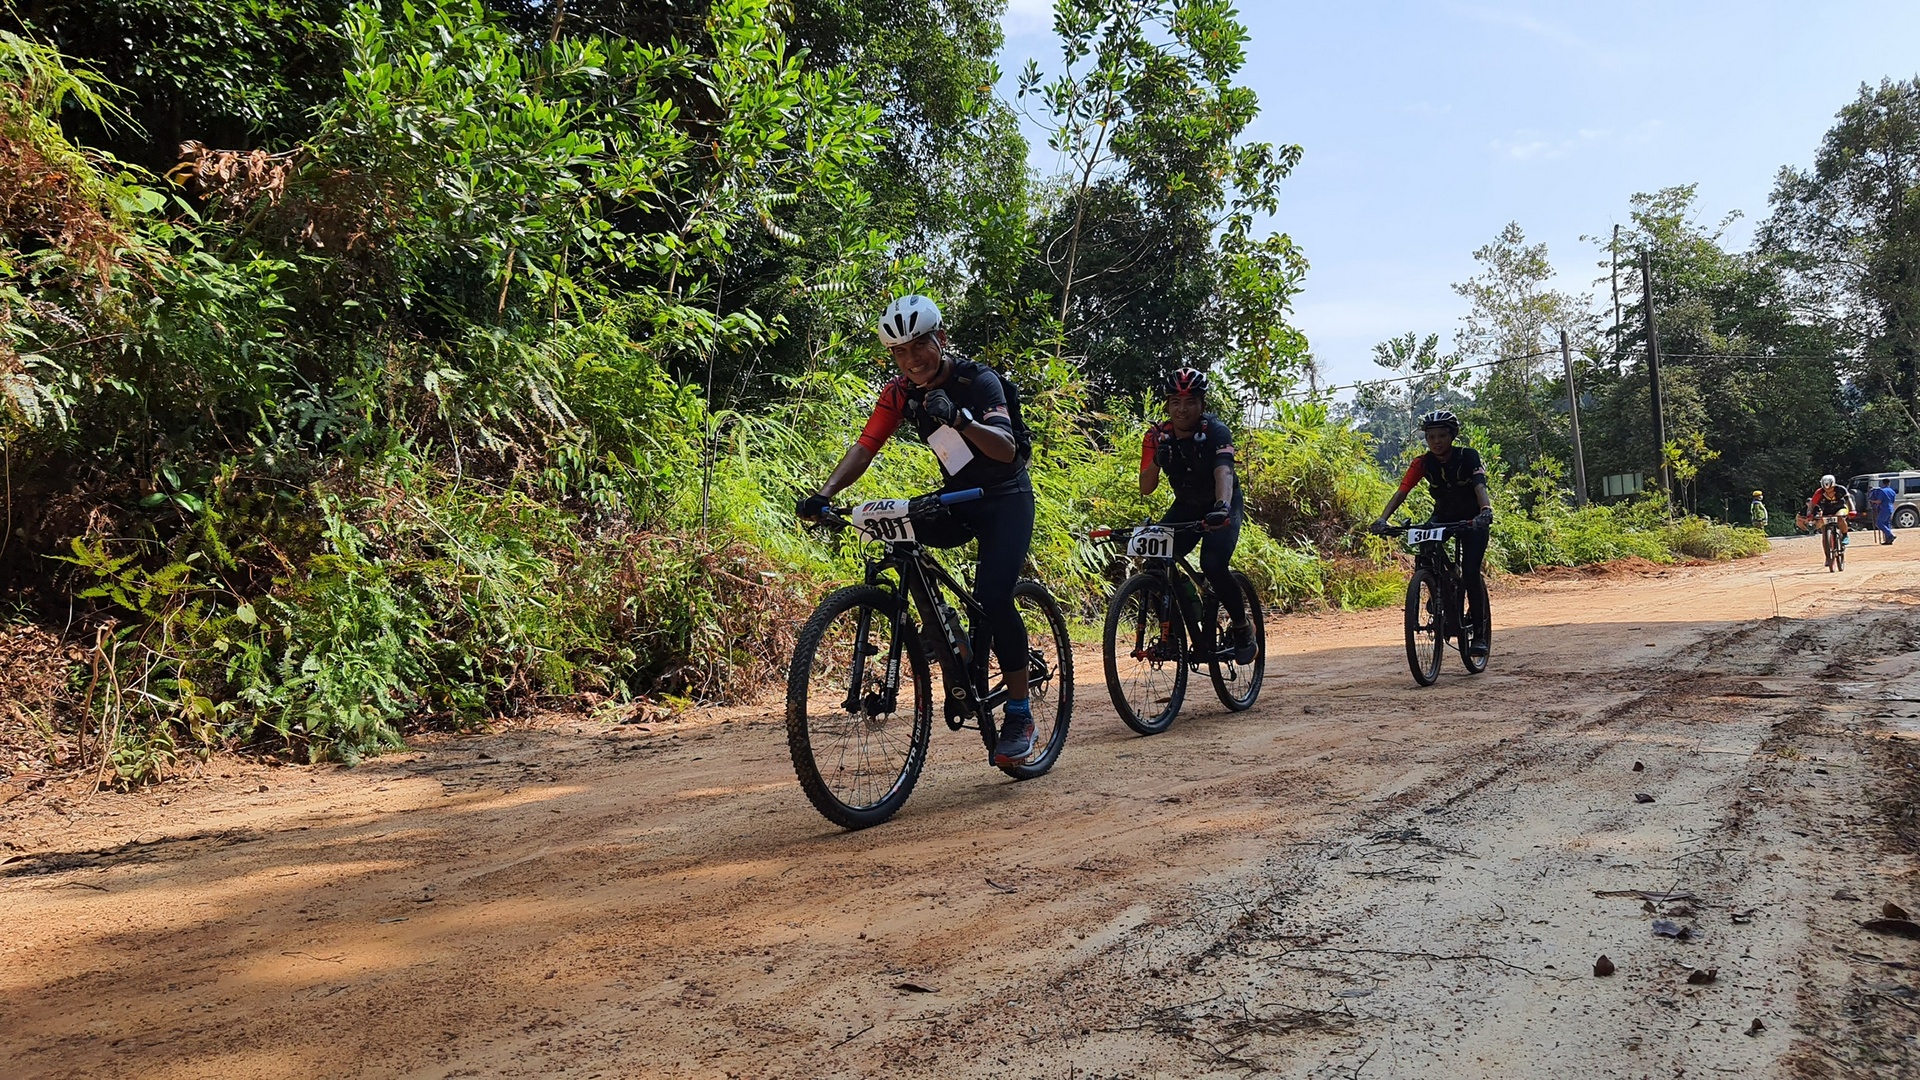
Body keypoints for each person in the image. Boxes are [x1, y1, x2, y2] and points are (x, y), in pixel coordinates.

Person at [796, 295, 1039, 767]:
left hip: (1006, 498)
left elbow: (1006, 449)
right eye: (900, 351)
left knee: (993, 598)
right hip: (957, 499)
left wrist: (959, 418)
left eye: (919, 345)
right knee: (900, 534)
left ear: (940, 339)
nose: (912, 359)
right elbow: (866, 446)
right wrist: (824, 494)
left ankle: (1019, 713)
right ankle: (945, 630)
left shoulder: (978, 381)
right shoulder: (900, 393)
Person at [1139, 367, 1256, 663]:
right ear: (1167, 406)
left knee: (1213, 564)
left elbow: (1223, 471)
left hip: (1221, 502)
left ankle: (1242, 627)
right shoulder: (1156, 436)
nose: (1182, 409)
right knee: (1155, 561)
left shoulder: (1215, 431)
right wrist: (1158, 462)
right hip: (1186, 505)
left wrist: (1222, 506)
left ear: (1202, 405)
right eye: (1175, 402)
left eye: (1190, 402)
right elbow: (1146, 488)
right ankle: (1175, 632)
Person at [1371, 410, 1494, 656]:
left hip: (1473, 518)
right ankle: (1437, 588)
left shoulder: (1468, 456)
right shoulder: (1422, 462)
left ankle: (1479, 634)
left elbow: (1479, 486)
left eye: (1442, 436)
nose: (1436, 442)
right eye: (1431, 437)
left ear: (1452, 436)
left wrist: (1485, 511)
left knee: (1470, 571)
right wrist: (1383, 519)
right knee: (1425, 550)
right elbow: (1402, 491)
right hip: (1442, 516)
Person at [1804, 474, 1853, 546]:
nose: (1828, 491)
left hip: (1840, 508)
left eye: (1830, 489)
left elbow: (1849, 499)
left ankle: (1845, 535)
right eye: (1826, 489)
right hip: (1826, 510)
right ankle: (1826, 544)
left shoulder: (1841, 489)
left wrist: (1852, 510)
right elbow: (1812, 504)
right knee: (1822, 525)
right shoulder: (1819, 492)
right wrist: (1809, 513)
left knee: (1840, 518)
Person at [1872, 478, 1898, 544]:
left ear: (1882, 483)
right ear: (1889, 483)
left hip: (1884, 508)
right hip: (1891, 508)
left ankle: (1890, 535)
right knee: (1887, 523)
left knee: (1879, 523)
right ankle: (1888, 540)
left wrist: (1873, 501)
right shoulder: (1892, 491)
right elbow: (1893, 500)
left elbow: (1879, 501)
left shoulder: (1882, 491)